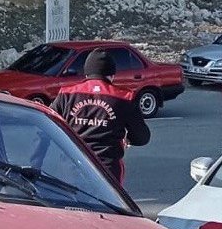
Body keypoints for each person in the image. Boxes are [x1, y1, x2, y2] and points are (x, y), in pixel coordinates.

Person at [50, 51, 150, 183]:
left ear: (86, 73)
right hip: (107, 170)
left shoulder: (66, 94)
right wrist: (128, 139)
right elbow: (142, 137)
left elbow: (47, 127)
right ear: (112, 75)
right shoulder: (124, 97)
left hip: (71, 166)